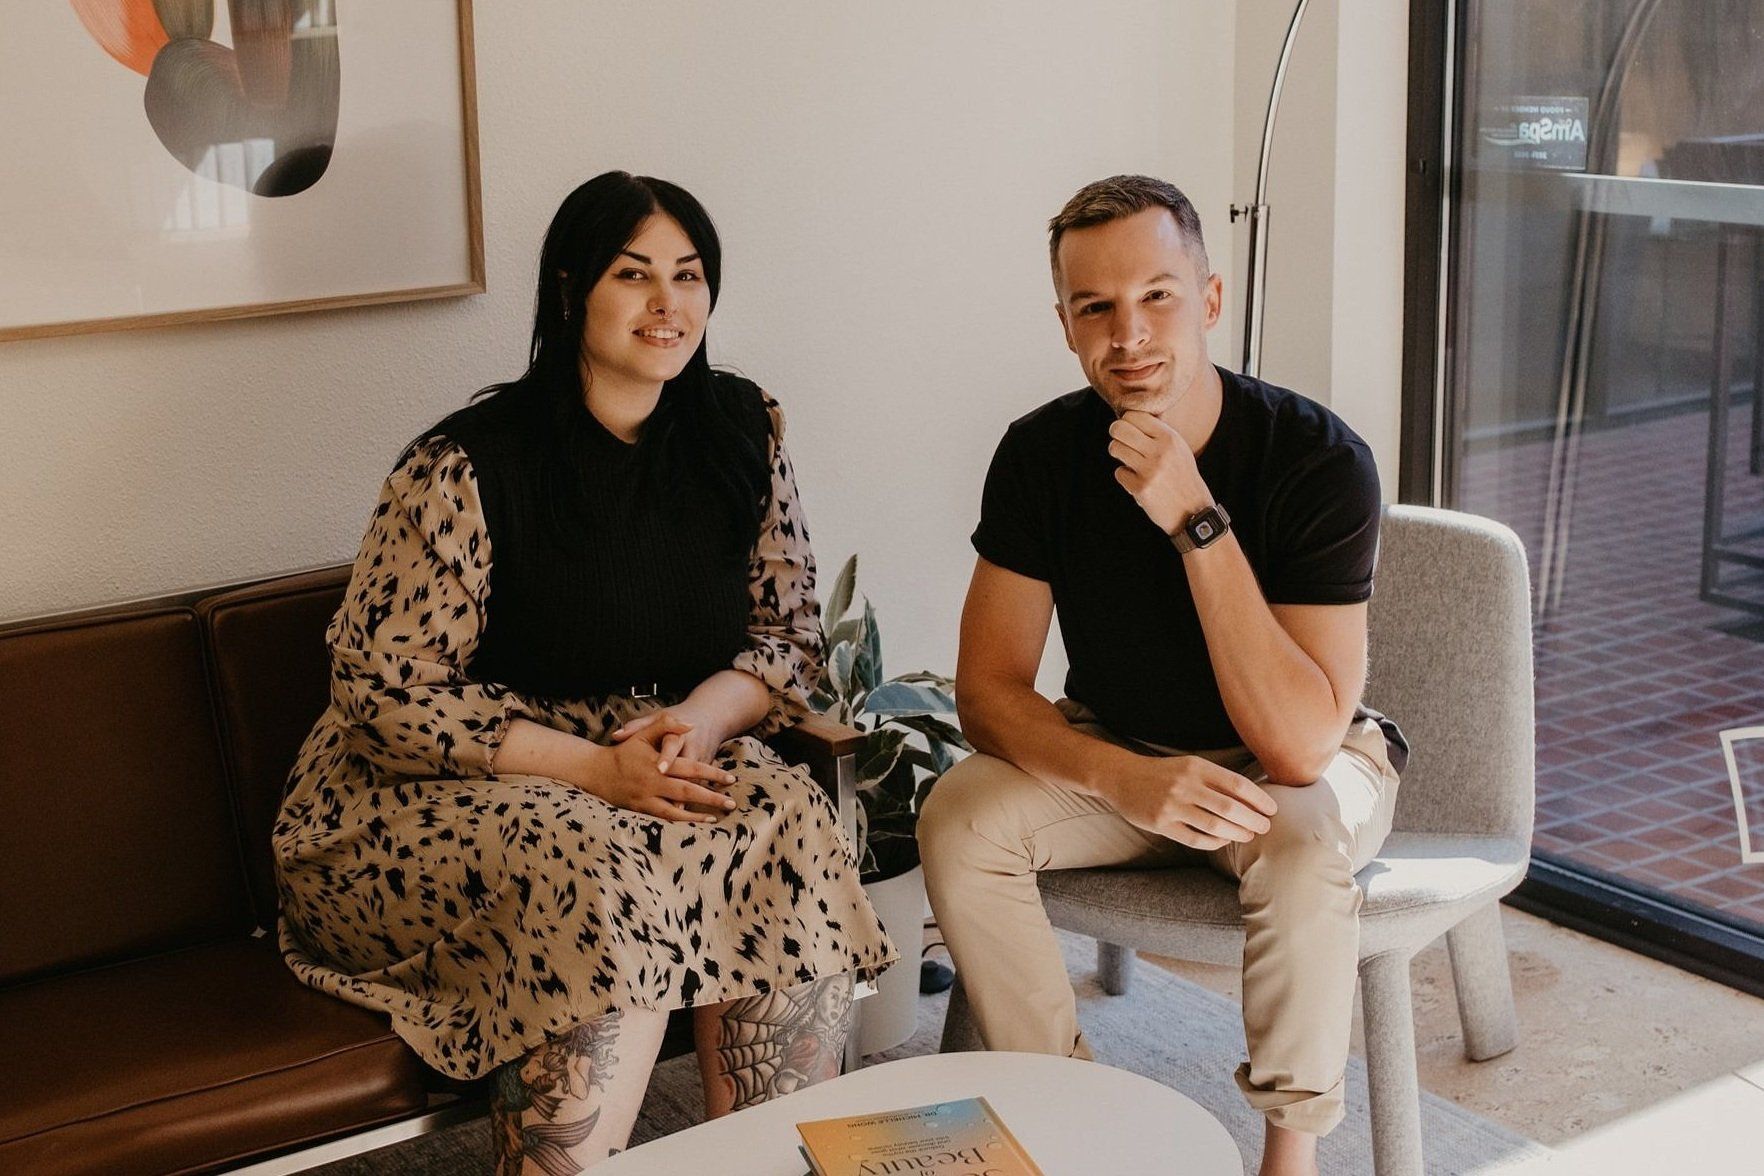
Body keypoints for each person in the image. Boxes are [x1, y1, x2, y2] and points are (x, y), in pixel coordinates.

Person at [274, 171, 895, 1172]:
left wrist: (698, 721)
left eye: (689, 275)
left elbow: (784, 638)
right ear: (571, 292)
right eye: (633, 274)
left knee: (780, 813)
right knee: (589, 865)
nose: (668, 303)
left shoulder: (743, 431)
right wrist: (598, 771)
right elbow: (385, 696)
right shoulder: (465, 465)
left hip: (657, 745)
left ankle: (764, 1162)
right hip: (439, 789)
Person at [917, 174, 1407, 1176]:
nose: (1128, 334)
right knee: (960, 819)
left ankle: (1289, 1158)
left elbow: (1300, 746)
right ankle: (1074, 1124)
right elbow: (989, 691)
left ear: (1210, 300)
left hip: (1297, 769)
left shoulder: (1317, 459)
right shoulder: (1040, 455)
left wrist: (1194, 517)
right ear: (1065, 324)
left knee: (1303, 848)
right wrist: (1123, 777)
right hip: (1123, 757)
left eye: (1157, 297)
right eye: (1095, 306)